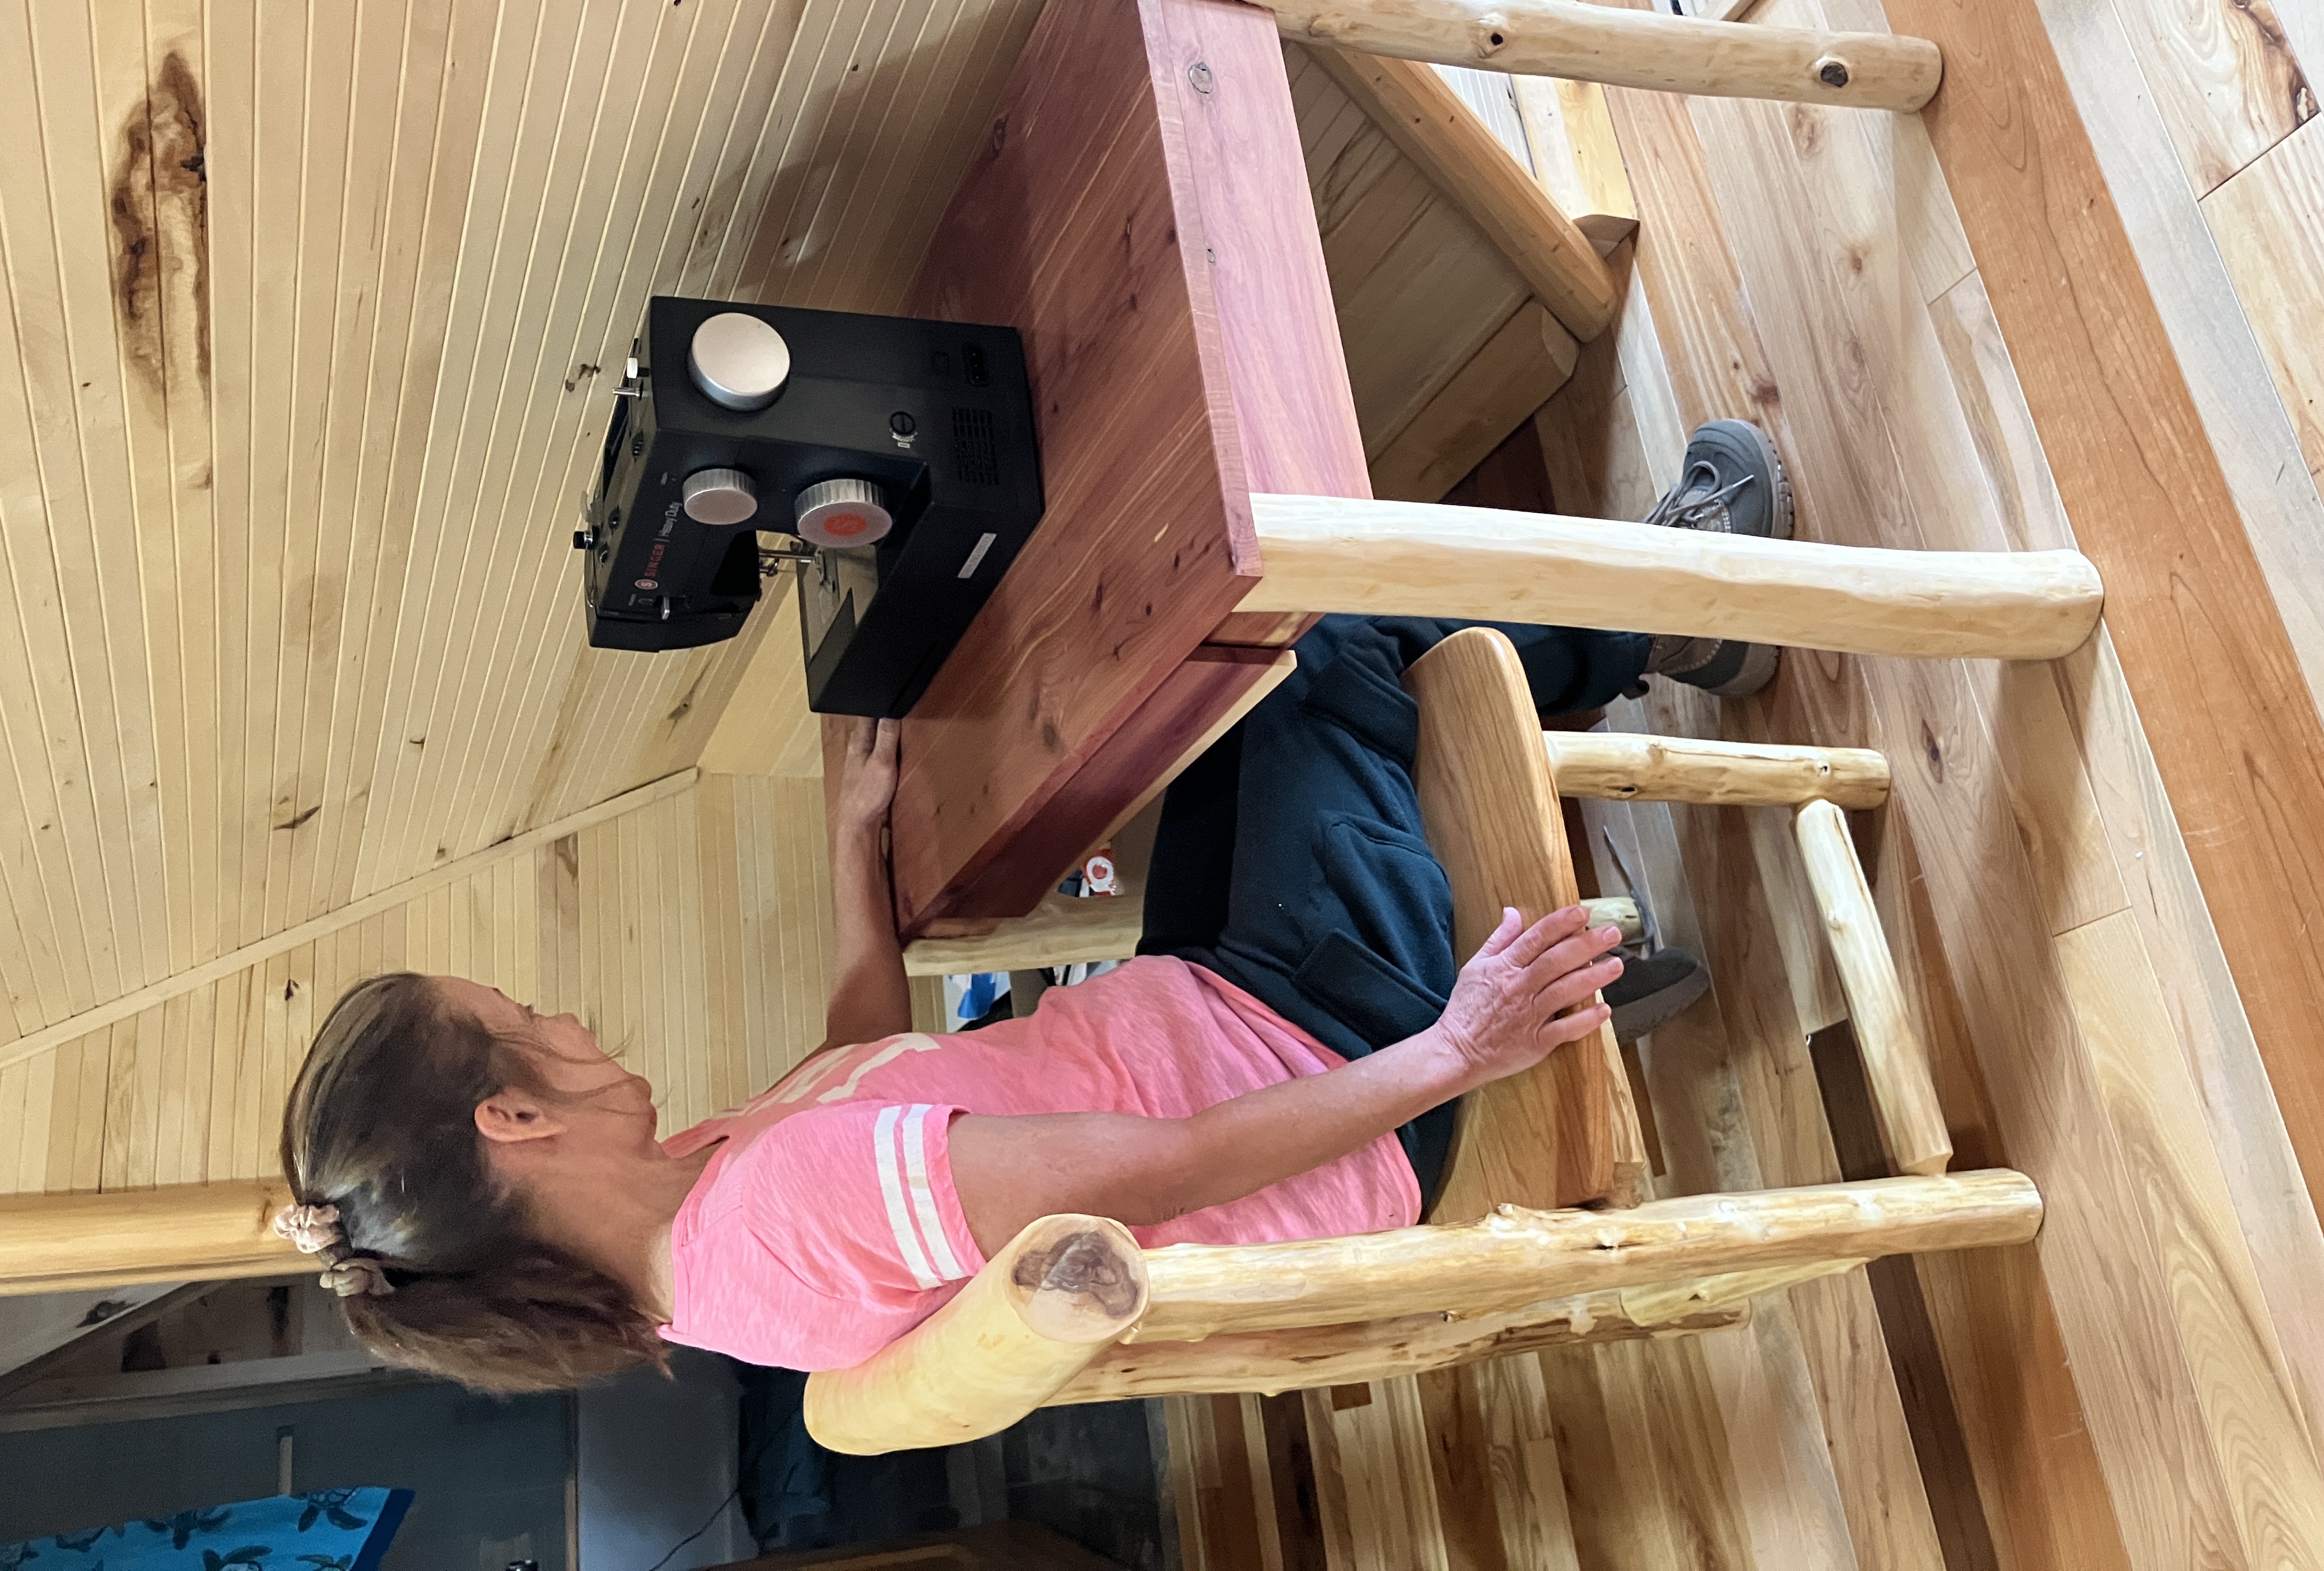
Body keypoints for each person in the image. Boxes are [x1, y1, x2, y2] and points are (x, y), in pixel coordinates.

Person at [274, 423, 1791, 1392]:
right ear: (512, 1120)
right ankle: (1691, 604)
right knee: (1319, 636)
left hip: (1214, 1017)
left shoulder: (686, 1248)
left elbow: (865, 1080)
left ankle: (1584, 856)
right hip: (1326, 1065)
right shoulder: (783, 1217)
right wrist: (1460, 1050)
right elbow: (1177, 1165)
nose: (560, 1017)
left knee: (1228, 678)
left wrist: (857, 856)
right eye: (520, 1021)